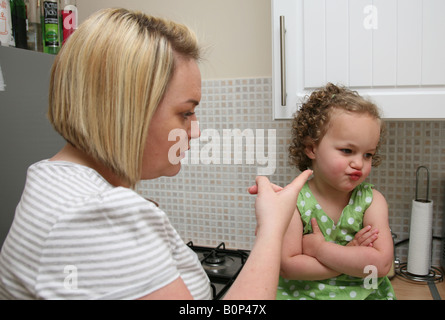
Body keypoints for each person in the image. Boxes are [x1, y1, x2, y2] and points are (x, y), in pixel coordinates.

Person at [0, 8, 312, 300]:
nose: (196, 130)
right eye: (186, 113)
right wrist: (273, 228)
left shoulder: (55, 180)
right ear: (126, 110)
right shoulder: (96, 214)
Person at [277, 83, 396, 300]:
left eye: (368, 154)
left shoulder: (372, 202)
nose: (359, 163)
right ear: (312, 148)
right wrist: (351, 257)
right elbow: (289, 266)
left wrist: (321, 250)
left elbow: (381, 265)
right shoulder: (293, 201)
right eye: (347, 151)